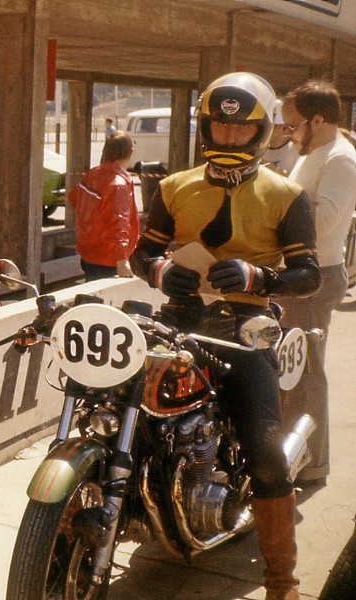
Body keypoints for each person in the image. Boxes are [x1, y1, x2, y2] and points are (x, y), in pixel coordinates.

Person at [131, 72, 320, 600]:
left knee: (264, 448)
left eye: (241, 128)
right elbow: (143, 251)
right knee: (123, 405)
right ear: (205, 127)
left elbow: (310, 276)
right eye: (220, 125)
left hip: (247, 328)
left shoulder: (287, 196)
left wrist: (261, 277)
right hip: (179, 320)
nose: (229, 135)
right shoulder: (173, 186)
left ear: (260, 132)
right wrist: (160, 271)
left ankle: (282, 581)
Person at [277, 81, 356, 487]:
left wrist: (282, 196)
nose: (287, 134)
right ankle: (296, 455)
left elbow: (323, 223)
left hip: (318, 276)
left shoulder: (341, 160)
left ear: (318, 120)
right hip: (298, 275)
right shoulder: (310, 151)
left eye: (292, 126)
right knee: (290, 371)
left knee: (306, 374)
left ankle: (314, 464)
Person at [68, 131, 138, 281]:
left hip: (88, 254)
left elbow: (73, 198)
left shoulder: (93, 174)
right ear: (128, 153)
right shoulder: (118, 185)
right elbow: (118, 223)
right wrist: (122, 260)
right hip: (109, 259)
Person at [261, 100, 300, 177]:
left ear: (281, 126)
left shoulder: (297, 148)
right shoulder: (257, 147)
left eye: (271, 126)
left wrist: (273, 169)